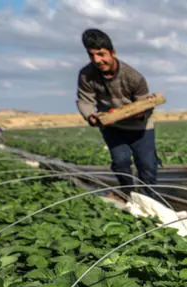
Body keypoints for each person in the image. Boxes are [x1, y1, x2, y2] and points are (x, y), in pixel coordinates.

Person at [76, 28, 158, 195]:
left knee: (147, 165)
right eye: (91, 55)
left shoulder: (133, 76)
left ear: (112, 53)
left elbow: (144, 105)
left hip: (140, 126)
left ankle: (149, 201)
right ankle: (127, 194)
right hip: (112, 126)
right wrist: (90, 116)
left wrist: (136, 113)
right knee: (121, 162)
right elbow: (85, 99)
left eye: (101, 54)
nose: (97, 60)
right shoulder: (86, 75)